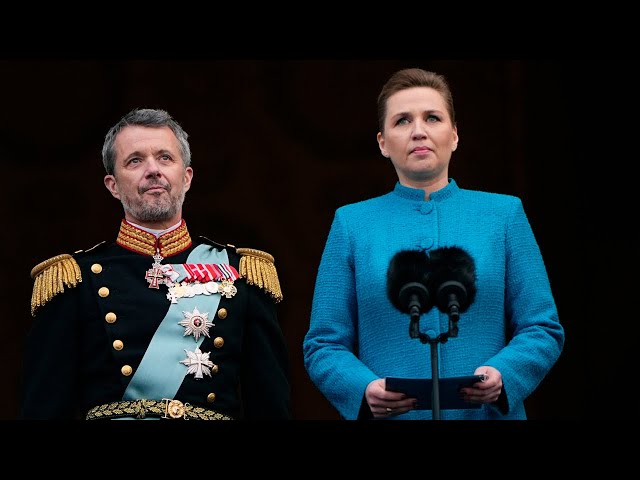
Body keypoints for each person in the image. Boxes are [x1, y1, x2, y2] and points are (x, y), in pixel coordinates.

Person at [302, 68, 565, 420]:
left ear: (454, 135)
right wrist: (362, 388)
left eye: (433, 118)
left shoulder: (503, 215)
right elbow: (323, 344)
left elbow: (542, 327)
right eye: (402, 121)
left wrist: (505, 374)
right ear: (382, 142)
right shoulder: (352, 224)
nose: (418, 131)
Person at [20, 108, 291, 420]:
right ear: (112, 185)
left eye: (165, 158)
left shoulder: (241, 272)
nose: (153, 170)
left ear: (186, 177)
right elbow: (43, 407)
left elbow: (270, 404)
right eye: (135, 160)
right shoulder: (74, 278)